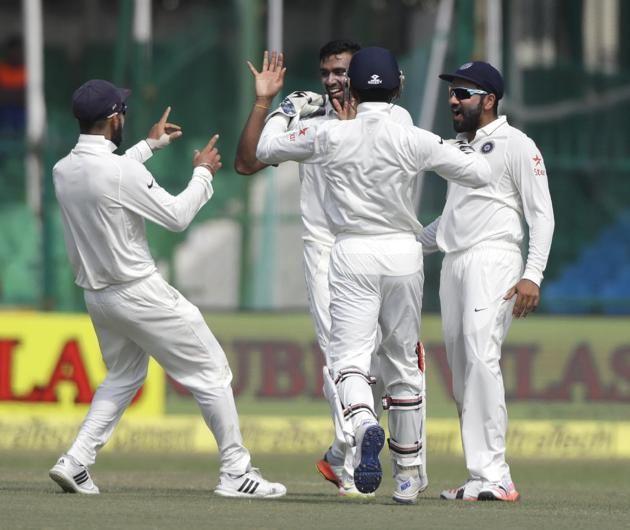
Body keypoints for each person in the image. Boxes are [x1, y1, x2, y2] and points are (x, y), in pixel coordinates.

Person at [256, 47, 491, 503]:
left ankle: (363, 424)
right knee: (403, 363)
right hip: (404, 253)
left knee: (349, 360)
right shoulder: (413, 136)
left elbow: (266, 148)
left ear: (355, 90)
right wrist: (452, 149)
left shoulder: (329, 134)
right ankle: (406, 477)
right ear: (398, 87)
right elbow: (479, 173)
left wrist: (284, 110)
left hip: (352, 251)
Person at [49, 79, 286, 499]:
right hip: (139, 291)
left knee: (124, 375)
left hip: (99, 298)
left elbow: (110, 174)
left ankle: (75, 461)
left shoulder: (63, 169)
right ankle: (236, 471)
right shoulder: (121, 171)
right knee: (213, 372)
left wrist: (148, 146)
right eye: (122, 110)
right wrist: (202, 173)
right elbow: (176, 216)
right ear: (112, 120)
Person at [234, 40, 415, 497]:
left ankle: (346, 450)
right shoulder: (308, 116)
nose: (333, 80)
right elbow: (246, 162)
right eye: (327, 72)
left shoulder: (394, 119)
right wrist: (265, 102)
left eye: (342, 72)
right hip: (326, 251)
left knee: (382, 361)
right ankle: (354, 465)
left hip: (382, 248)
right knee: (344, 358)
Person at [419, 61, 554, 502]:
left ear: (489, 99)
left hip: (494, 260)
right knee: (462, 372)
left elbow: (541, 214)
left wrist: (532, 274)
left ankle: (496, 473)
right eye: (452, 93)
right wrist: (406, 242)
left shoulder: (517, 144)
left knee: (481, 358)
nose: (453, 101)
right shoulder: (459, 148)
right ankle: (480, 475)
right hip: (454, 264)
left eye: (463, 93)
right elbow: (451, 220)